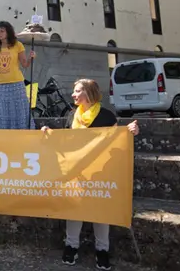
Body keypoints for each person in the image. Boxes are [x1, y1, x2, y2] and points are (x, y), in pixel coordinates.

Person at [41, 79, 139, 271]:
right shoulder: (72, 116)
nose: (73, 94)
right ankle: (71, 245)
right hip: (77, 170)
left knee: (99, 209)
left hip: (101, 170)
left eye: (77, 91)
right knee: (74, 208)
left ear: (88, 93)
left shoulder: (106, 116)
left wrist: (131, 131)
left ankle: (102, 250)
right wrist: (49, 133)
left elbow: (118, 138)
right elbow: (66, 140)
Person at [0, 21, 36, 130]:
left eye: (2, 31)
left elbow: (25, 64)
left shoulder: (18, 45)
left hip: (16, 84)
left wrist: (30, 58)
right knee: (0, 112)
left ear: (8, 32)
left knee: (19, 111)